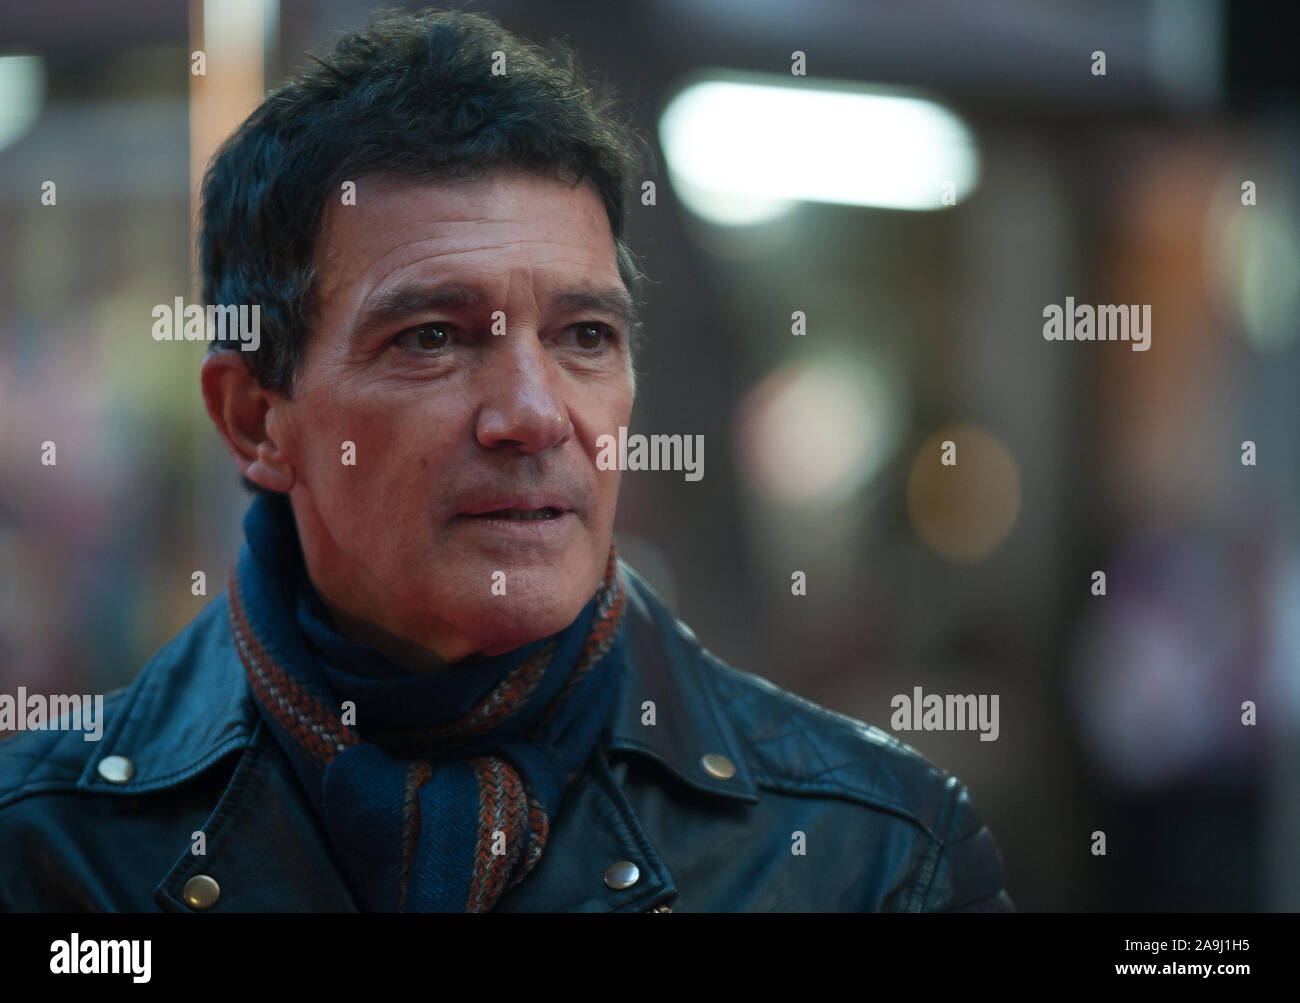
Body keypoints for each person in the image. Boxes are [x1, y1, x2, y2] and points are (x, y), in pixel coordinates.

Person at [0, 7, 1013, 913]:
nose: (534, 415)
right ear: (257, 419)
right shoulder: (45, 851)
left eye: (583, 337)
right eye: (432, 338)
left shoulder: (870, 856)